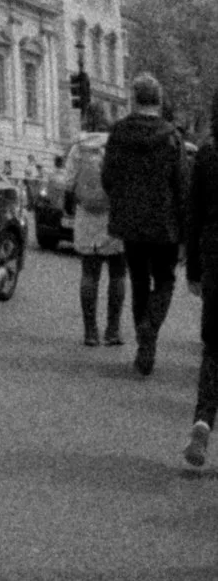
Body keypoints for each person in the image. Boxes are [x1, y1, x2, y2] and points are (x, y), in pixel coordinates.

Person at [102, 72, 190, 376]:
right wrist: (184, 230)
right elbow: (182, 185)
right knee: (165, 280)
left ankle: (143, 332)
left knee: (139, 279)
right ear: (159, 100)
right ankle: (151, 327)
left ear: (134, 99)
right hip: (165, 223)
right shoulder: (171, 137)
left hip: (131, 222)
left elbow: (108, 178)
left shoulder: (118, 133)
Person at [63, 115, 126, 349]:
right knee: (118, 273)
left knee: (90, 273)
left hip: (87, 215)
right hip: (114, 215)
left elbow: (68, 182)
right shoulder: (118, 145)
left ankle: (90, 331)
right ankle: (113, 330)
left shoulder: (78, 148)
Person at [184, 112, 218, 467]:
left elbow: (192, 215)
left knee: (213, 347)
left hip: (215, 254)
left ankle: (204, 419)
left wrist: (193, 268)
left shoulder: (208, 154)